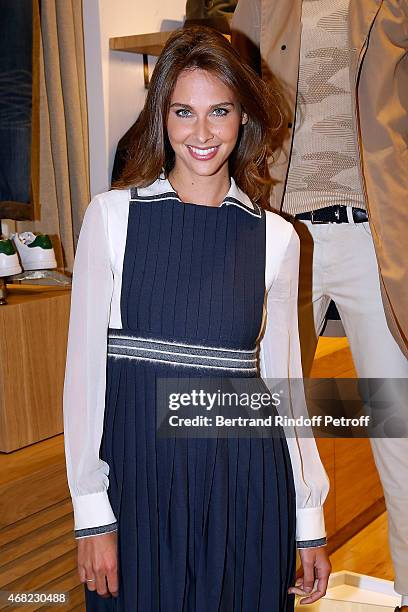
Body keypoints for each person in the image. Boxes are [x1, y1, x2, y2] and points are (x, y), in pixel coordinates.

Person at [63, 26, 331, 611]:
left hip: (246, 483)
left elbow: (284, 386)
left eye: (221, 111)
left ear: (243, 119)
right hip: (140, 485)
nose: (203, 133)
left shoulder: (277, 237)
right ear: (161, 115)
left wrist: (308, 516)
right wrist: (91, 512)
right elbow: (84, 380)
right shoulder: (111, 218)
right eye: (185, 111)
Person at [231, 1, 408, 610]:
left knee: (400, 421)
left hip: (372, 232)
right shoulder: (263, 3)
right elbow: (239, 99)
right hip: (283, 232)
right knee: (267, 415)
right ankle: (269, 580)